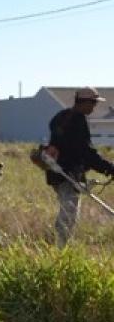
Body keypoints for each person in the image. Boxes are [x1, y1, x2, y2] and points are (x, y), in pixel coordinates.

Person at [45, 87, 114, 247]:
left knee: (67, 212)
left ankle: (60, 247)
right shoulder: (78, 120)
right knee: (68, 215)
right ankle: (60, 251)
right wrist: (109, 168)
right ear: (85, 102)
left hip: (55, 173)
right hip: (68, 175)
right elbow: (87, 153)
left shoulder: (61, 116)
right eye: (93, 103)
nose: (94, 107)